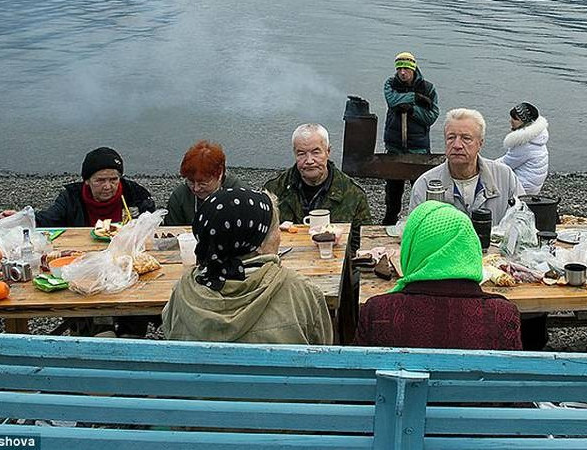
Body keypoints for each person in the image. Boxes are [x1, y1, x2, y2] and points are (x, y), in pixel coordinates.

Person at [162, 187, 334, 345]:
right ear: (258, 243)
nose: (279, 236)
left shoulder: (181, 293)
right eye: (275, 228)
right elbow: (323, 352)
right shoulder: (301, 291)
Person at [354, 201, 522, 349]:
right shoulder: (502, 316)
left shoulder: (378, 312)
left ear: (412, 247)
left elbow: (357, 371)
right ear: (470, 249)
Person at [263, 123, 371, 252]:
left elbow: (363, 245)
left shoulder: (353, 194)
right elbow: (260, 239)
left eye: (316, 152)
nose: (309, 160)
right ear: (294, 154)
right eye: (301, 154)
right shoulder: (274, 191)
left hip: (333, 260)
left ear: (328, 152)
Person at [410, 108, 525, 227]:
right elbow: (414, 232)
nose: (457, 145)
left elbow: (524, 222)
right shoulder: (425, 184)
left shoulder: (505, 177)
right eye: (451, 138)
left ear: (480, 143)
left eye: (466, 138)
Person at [1, 147, 155, 227]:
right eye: (100, 180)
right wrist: (20, 218)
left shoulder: (136, 195)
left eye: (114, 179)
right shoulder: (71, 198)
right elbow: (48, 220)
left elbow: (152, 226)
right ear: (86, 180)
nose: (108, 186)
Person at [382, 51, 439, 226]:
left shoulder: (428, 88)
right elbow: (392, 101)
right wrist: (414, 97)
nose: (402, 72)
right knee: (393, 193)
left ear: (413, 68)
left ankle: (422, 223)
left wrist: (413, 110)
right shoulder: (390, 84)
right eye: (399, 68)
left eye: (406, 68)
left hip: (418, 147)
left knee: (420, 188)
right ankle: (390, 221)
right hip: (394, 147)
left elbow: (432, 116)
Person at [165, 141, 246, 225]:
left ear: (220, 174)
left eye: (202, 183)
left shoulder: (240, 196)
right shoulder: (179, 197)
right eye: (191, 182)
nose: (196, 189)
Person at [496, 102, 549, 195]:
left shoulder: (525, 144)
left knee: (488, 180)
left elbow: (505, 164)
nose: (510, 121)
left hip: (523, 189)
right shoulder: (537, 137)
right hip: (533, 186)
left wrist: (482, 165)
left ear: (526, 123)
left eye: (515, 119)